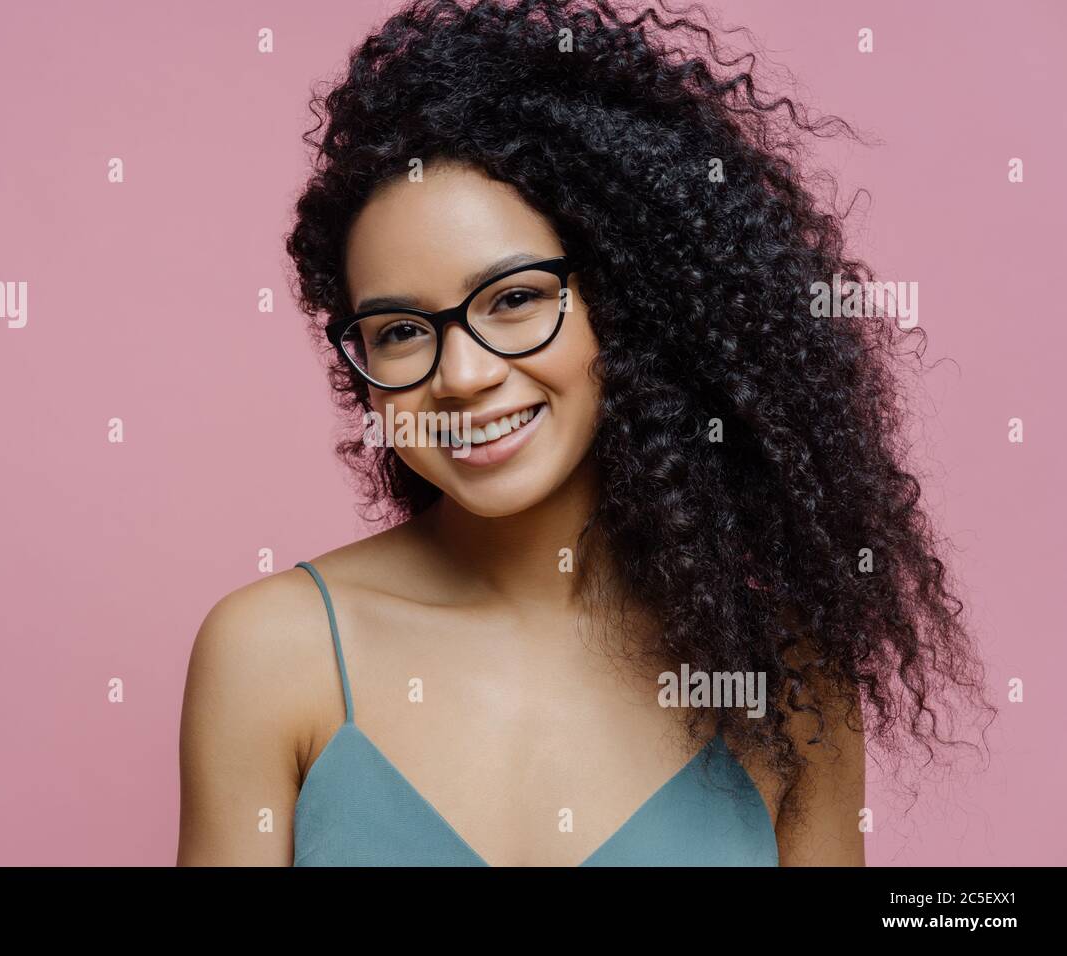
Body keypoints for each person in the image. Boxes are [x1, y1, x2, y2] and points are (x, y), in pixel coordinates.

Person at [177, 0, 990, 866]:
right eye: (402, 330)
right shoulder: (272, 655)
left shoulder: (785, 680)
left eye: (516, 299)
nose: (461, 375)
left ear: (629, 303)